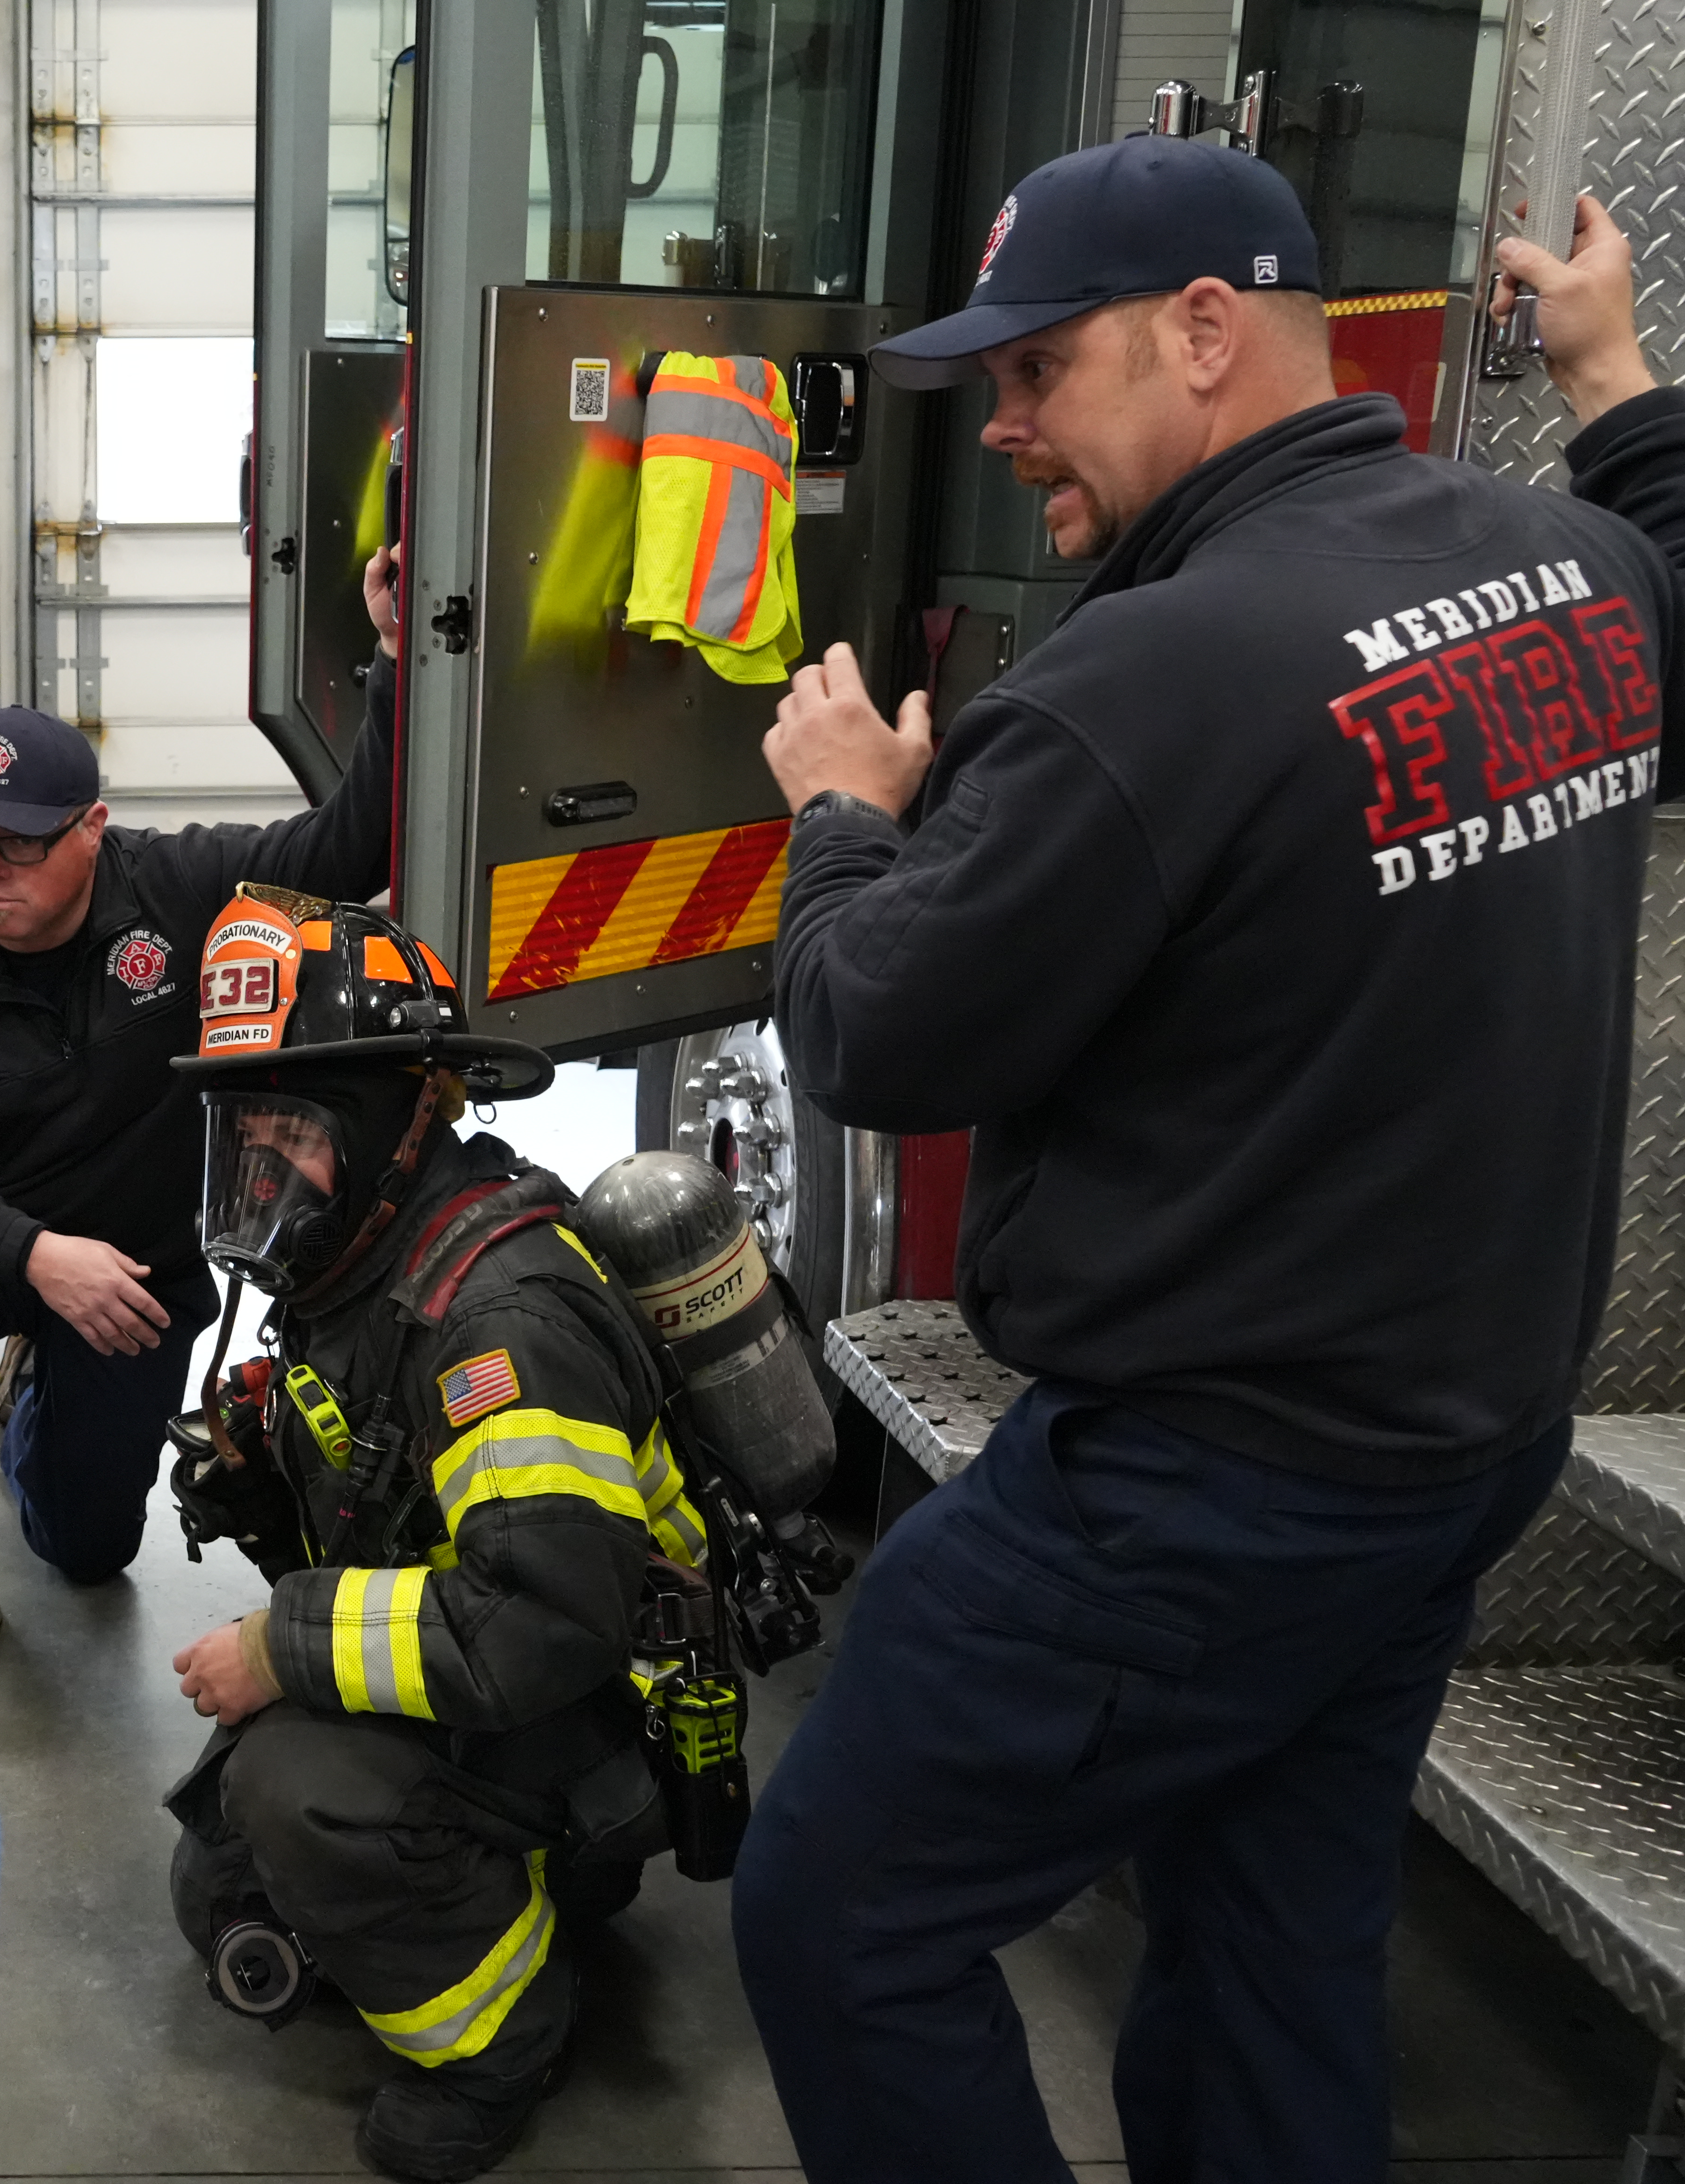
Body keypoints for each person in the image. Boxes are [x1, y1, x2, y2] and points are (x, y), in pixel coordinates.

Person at [728, 145, 1685, 2184]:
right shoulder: (1569, 571)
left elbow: (872, 1032)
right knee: (1271, 1940)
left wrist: (843, 817)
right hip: (1462, 1447)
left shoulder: (1145, 681)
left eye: (1037, 369)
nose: (1002, 426)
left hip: (1204, 1490)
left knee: (841, 1909)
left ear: (1202, 328)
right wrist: (1612, 375)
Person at [152, 892, 691, 2183]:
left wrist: (281, 1645)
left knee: (296, 1793)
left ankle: (506, 2040)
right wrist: (265, 1478)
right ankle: (478, 1894)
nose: (265, 1174)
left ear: (401, 1120)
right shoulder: (360, 1262)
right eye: (246, 1133)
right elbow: (394, 1524)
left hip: (600, 1712)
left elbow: (547, 1620)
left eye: (297, 1132)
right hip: (502, 1676)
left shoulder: (499, 1324)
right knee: (215, 1885)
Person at [0, 550, 410, 1696]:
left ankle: (36, 1401)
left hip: (133, 1267)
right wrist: (32, 1256)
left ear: (92, 825)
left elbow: (345, 851)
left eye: (20, 843)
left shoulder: (180, 888)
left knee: (89, 1553)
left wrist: (395, 660)